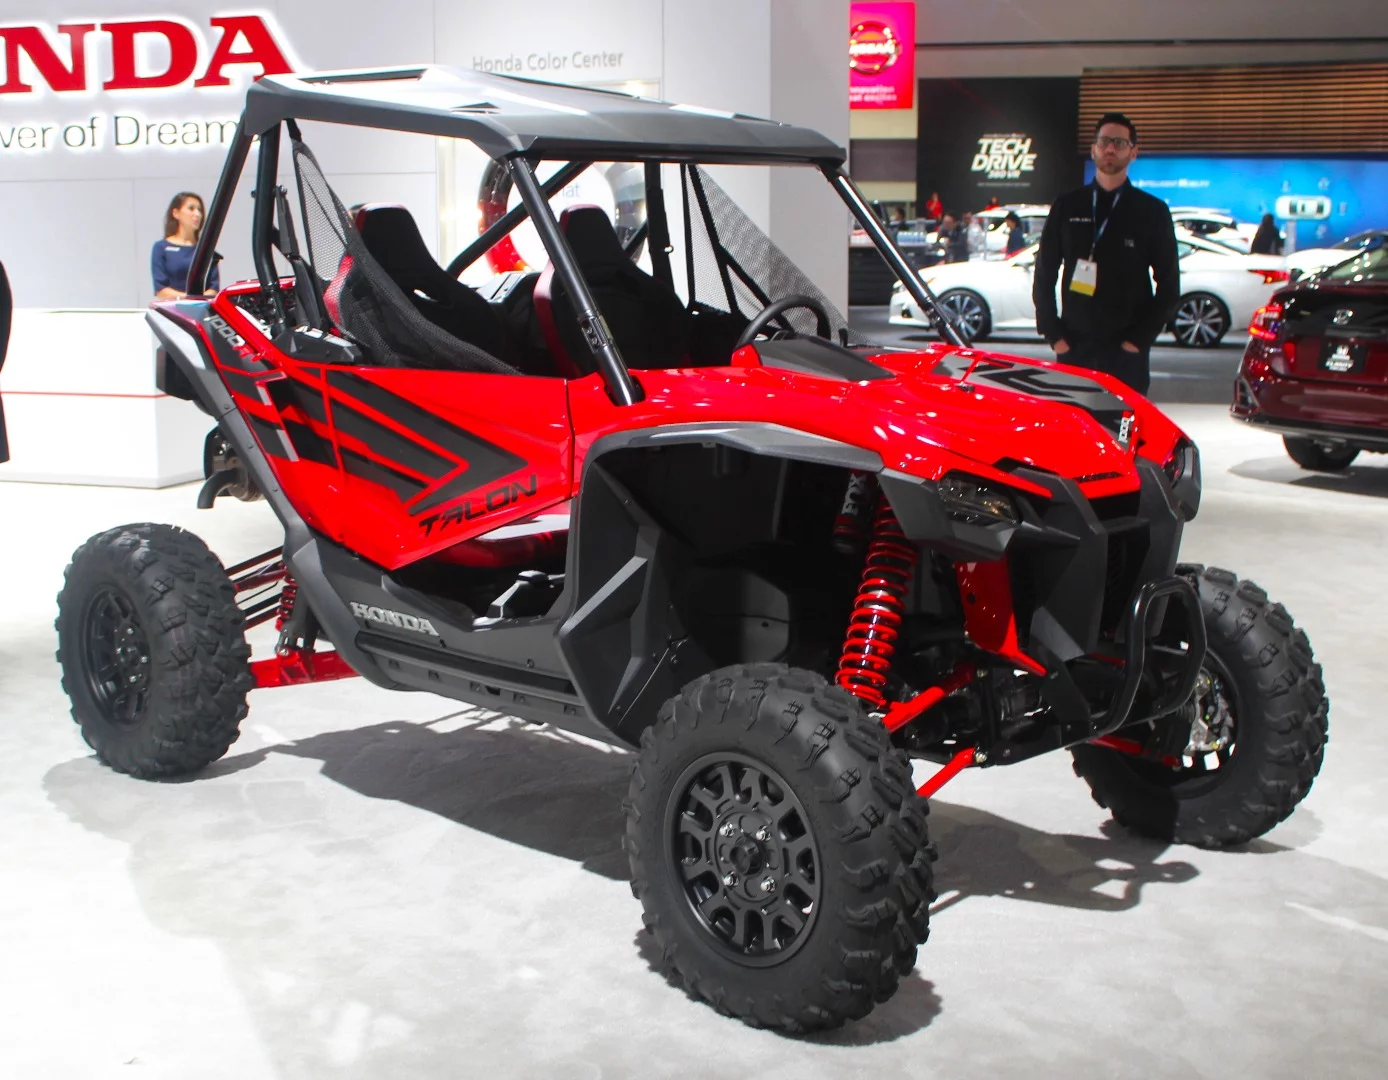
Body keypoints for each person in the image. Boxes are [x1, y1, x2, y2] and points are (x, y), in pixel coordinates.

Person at [1032, 112, 1178, 395]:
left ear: (1133, 153)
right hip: (1074, 347)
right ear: (1093, 149)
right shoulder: (1068, 205)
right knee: (1076, 434)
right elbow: (1045, 272)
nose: (1110, 148)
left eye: (1119, 143)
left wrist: (1140, 340)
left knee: (1124, 435)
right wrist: (1054, 334)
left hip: (1127, 353)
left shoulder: (1152, 211)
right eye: (1104, 142)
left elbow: (1169, 285)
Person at [151, 192, 219, 299]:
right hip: (172, 310)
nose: (197, 214)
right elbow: (161, 289)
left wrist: (198, 301)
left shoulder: (206, 250)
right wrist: (189, 299)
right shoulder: (161, 248)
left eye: (199, 210)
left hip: (202, 311)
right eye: (191, 209)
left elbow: (214, 288)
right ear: (176, 213)